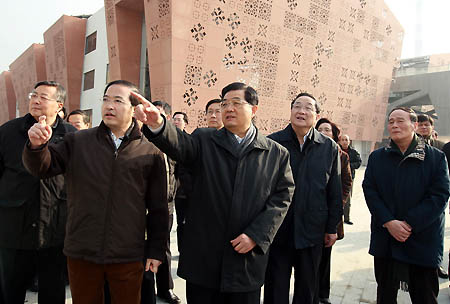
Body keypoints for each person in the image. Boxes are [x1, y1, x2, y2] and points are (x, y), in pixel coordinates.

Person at [134, 82, 294, 304]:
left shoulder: (275, 153)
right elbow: (179, 144)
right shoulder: (204, 140)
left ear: (254, 109)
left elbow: (282, 197)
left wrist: (257, 235)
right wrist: (158, 124)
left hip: (245, 259)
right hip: (204, 257)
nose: (228, 108)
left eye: (236, 103)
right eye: (224, 103)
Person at [22, 80, 169, 304]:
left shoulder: (150, 152)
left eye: (118, 101)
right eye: (106, 99)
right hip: (82, 250)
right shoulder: (78, 141)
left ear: (133, 108)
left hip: (127, 253)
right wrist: (36, 147)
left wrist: (156, 250)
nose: (109, 105)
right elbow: (43, 167)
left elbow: (158, 208)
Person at [363, 107, 450, 303]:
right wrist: (388, 222)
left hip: (422, 238)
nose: (394, 125)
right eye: (391, 121)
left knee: (424, 295)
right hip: (386, 237)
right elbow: (370, 190)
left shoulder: (435, 158)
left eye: (400, 121)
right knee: (385, 293)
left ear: (415, 125)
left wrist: (408, 223)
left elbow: (439, 196)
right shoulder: (378, 157)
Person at [0, 81, 76, 304]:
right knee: (9, 291)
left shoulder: (72, 136)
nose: (36, 100)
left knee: (52, 292)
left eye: (44, 97)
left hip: (55, 230)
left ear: (59, 105)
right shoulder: (8, 131)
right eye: (34, 95)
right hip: (14, 229)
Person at [264, 93, 342, 304]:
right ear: (290, 112)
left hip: (313, 230)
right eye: (297, 106)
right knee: (275, 287)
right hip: (278, 229)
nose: (302, 111)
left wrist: (332, 227)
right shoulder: (273, 143)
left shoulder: (329, 147)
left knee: (307, 289)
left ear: (316, 116)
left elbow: (334, 191)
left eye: (308, 108)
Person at [315, 118, 352, 304]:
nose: (323, 132)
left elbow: (346, 183)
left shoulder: (341, 156)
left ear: (334, 134)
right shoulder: (311, 151)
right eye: (320, 129)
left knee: (325, 256)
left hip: (331, 213)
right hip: (312, 214)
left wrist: (337, 202)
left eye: (327, 129)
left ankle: (323, 294)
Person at [338, 134, 361, 225]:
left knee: (347, 198)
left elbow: (358, 163)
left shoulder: (353, 152)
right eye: (342, 140)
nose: (344, 141)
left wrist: (347, 166)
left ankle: (346, 218)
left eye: (346, 140)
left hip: (349, 178)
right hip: (337, 177)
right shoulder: (336, 150)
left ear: (349, 141)